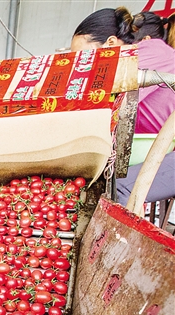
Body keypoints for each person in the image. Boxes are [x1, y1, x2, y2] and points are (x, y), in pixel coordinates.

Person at [70, 7, 175, 207]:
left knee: (117, 192)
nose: (78, 64)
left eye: (82, 56)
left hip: (160, 150)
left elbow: (105, 101)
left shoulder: (153, 52)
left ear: (110, 43)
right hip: (145, 146)